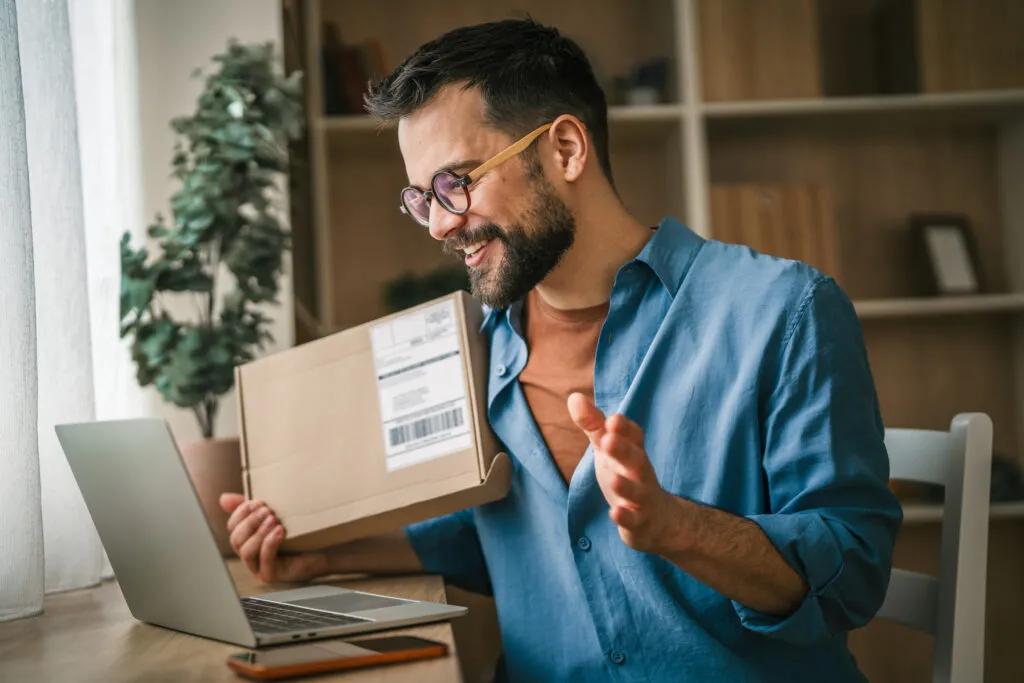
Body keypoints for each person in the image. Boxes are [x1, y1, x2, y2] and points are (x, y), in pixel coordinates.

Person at [220, 18, 903, 682]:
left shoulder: (783, 310)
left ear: (567, 150)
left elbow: (853, 575)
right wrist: (320, 558)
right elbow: (498, 540)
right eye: (422, 197)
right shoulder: (479, 349)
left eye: (456, 182)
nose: (438, 225)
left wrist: (678, 527)